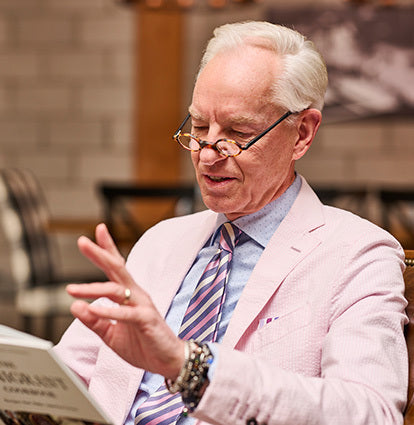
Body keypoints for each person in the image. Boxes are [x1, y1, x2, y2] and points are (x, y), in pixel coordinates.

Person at [54, 21, 408, 425]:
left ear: (302, 134)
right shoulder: (161, 242)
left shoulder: (356, 254)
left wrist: (191, 366)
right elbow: (63, 381)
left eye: (238, 133)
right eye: (200, 127)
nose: (207, 155)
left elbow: (371, 413)